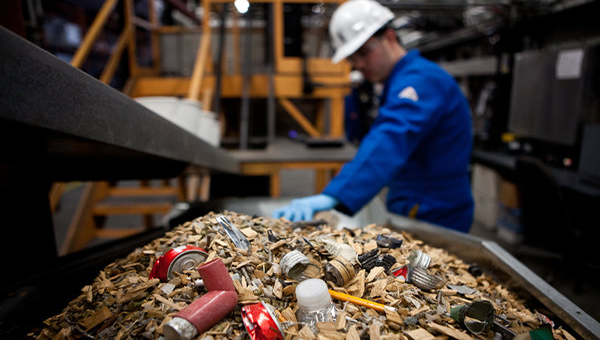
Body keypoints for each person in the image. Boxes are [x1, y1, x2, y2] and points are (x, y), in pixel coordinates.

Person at [272, 0, 474, 233]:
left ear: (389, 37)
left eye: (364, 53)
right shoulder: (397, 81)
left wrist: (335, 194)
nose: (359, 65)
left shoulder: (421, 80)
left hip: (436, 213)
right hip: (412, 205)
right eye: (353, 59)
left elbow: (390, 138)